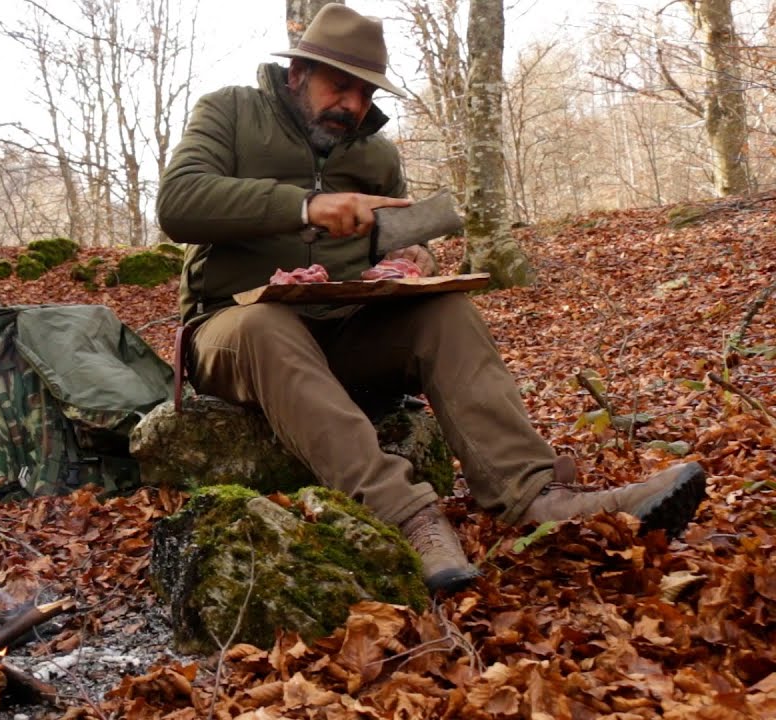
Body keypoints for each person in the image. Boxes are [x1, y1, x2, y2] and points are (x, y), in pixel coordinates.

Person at [154, 4, 707, 592]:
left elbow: (405, 242)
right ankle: (407, 516)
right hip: (233, 331)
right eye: (339, 86)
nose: (353, 105)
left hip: (345, 329)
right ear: (297, 74)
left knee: (445, 310)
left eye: (365, 93)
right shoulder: (230, 113)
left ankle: (532, 495)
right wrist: (303, 206)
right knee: (264, 325)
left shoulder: (375, 155)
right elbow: (179, 203)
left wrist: (416, 261)